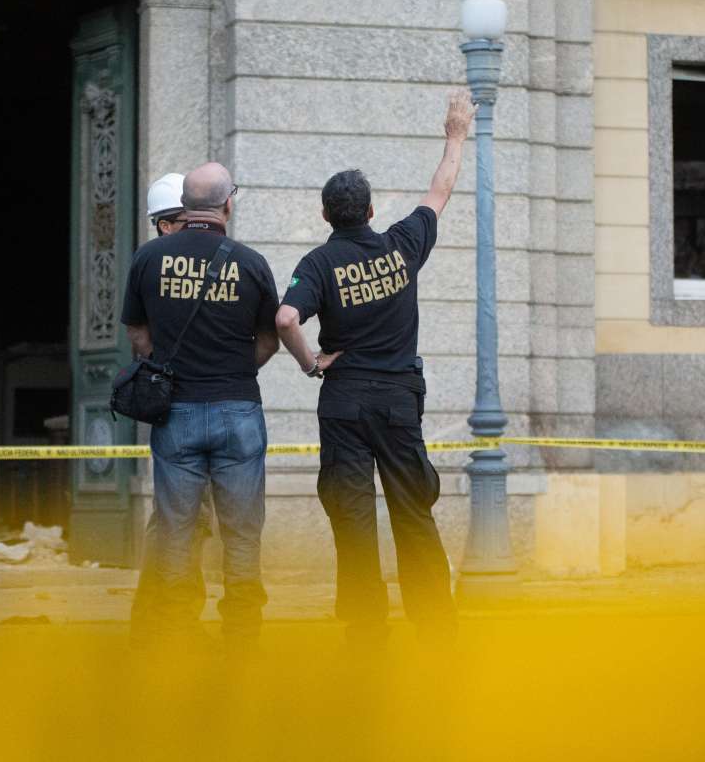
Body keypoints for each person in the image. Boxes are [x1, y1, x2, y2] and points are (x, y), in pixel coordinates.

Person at [274, 89, 476, 648]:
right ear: (370, 209)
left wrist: (311, 361)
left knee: (353, 514)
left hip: (343, 400)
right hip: (397, 400)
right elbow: (441, 190)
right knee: (413, 509)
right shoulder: (401, 245)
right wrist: (455, 133)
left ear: (325, 216)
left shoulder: (317, 263)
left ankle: (366, 628)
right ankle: (435, 624)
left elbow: (287, 316)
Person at [121, 162, 280, 653]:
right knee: (242, 530)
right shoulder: (251, 264)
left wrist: (168, 366)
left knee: (174, 528)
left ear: (184, 207)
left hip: (177, 414)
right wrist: (234, 370)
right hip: (238, 411)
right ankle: (242, 636)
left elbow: (138, 336)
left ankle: (172, 633)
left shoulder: (149, 259)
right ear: (227, 204)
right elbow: (270, 340)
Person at [129, 171, 216, 649]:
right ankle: (170, 621)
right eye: (187, 221)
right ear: (165, 225)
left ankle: (155, 617)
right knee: (182, 519)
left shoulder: (158, 267)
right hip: (185, 408)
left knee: (176, 518)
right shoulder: (160, 268)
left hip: (181, 406)